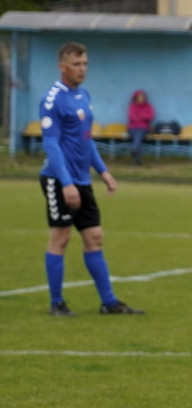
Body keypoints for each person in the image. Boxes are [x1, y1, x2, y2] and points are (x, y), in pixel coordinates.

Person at [40, 41, 144, 317]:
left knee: (95, 237)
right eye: (76, 64)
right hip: (57, 179)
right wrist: (66, 183)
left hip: (81, 179)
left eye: (85, 63)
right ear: (63, 66)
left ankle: (109, 303)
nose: (82, 69)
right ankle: (56, 303)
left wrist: (103, 171)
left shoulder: (83, 95)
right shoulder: (52, 99)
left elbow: (86, 142)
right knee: (61, 237)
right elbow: (51, 145)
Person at [127, 89, 154, 166]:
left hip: (144, 127)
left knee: (139, 133)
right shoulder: (133, 106)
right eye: (139, 97)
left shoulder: (148, 106)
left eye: (142, 97)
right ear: (136, 98)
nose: (141, 98)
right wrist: (143, 116)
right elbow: (131, 117)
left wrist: (139, 116)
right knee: (136, 134)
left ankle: (135, 150)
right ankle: (136, 153)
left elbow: (150, 116)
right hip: (133, 127)